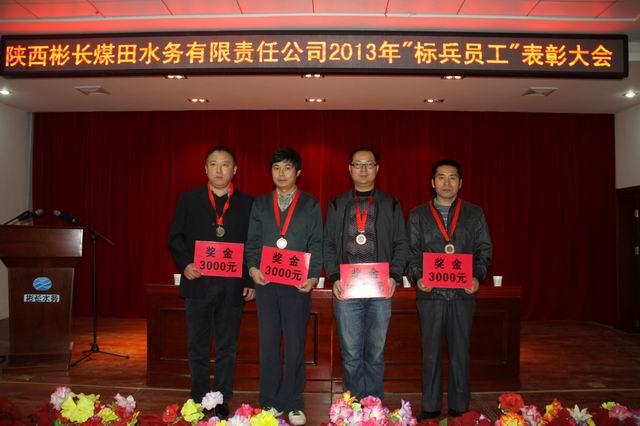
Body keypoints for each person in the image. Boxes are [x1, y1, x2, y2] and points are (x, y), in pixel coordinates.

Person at [168, 146, 255, 419]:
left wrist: (249, 279)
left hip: (232, 288)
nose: (219, 170)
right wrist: (186, 263)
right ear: (205, 168)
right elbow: (175, 237)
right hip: (198, 284)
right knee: (198, 346)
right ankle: (198, 397)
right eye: (213, 164)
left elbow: (253, 244)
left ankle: (222, 398)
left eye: (225, 164)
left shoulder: (248, 203)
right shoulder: (189, 199)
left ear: (235, 170)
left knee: (227, 347)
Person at [406, 159, 492, 420]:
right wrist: (418, 276)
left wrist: (477, 276)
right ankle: (430, 408)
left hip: (462, 294)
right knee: (430, 354)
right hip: (430, 294)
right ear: (432, 182)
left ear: (460, 183)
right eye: (441, 177)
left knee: (460, 354)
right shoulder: (418, 214)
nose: (446, 183)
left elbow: (484, 250)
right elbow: (411, 252)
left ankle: (459, 408)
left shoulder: (474, 213)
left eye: (452, 177)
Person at [323, 147, 409, 400]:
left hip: (380, 288)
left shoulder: (391, 204)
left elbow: (401, 243)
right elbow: (328, 244)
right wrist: (334, 276)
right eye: (358, 164)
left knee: (375, 353)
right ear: (349, 169)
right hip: (347, 288)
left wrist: (394, 274)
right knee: (351, 354)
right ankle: (353, 407)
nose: (363, 169)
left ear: (377, 169)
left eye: (369, 164)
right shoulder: (337, 204)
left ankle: (373, 406)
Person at [245, 147, 322, 426]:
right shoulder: (260, 203)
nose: (281, 173)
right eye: (276, 168)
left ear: (297, 172)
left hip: (297, 285)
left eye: (287, 168)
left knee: (294, 344)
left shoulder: (310, 204)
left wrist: (313, 276)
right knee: (267, 344)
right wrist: (253, 269)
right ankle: (268, 400)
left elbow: (316, 242)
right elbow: (253, 242)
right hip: (266, 283)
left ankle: (293, 402)